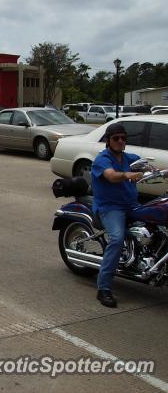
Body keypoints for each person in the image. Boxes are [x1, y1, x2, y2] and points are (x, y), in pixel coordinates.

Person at [91, 123, 143, 308]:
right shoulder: (102, 159)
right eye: (116, 138)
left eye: (123, 138)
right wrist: (128, 174)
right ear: (108, 140)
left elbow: (149, 167)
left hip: (131, 204)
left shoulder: (130, 158)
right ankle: (103, 288)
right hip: (110, 207)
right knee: (116, 238)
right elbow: (112, 176)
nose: (121, 141)